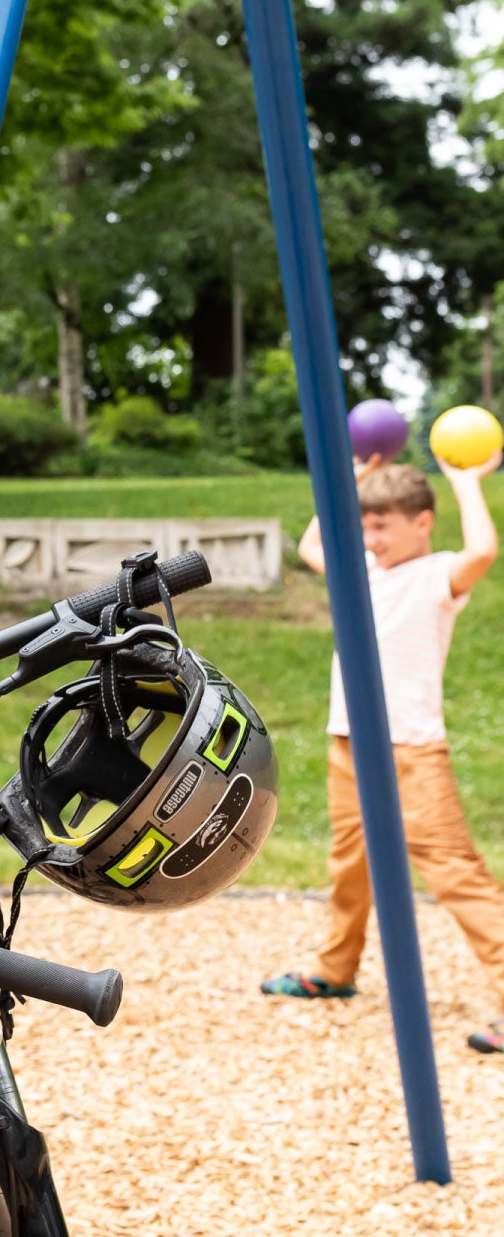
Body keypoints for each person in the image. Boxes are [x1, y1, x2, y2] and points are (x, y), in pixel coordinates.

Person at [261, 445, 504, 1054]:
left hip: (410, 752)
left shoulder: (437, 575)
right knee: (351, 866)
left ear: (422, 522)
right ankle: (336, 971)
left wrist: (464, 480)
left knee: (455, 873)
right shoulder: (361, 571)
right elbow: (312, 547)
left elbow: (483, 552)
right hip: (349, 745)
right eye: (364, 525)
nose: (369, 537)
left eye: (382, 526)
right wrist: (358, 476)